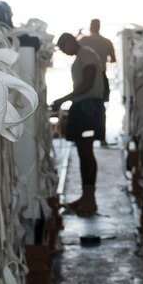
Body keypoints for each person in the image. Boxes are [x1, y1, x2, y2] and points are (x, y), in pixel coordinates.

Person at [51, 31, 105, 216]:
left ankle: (90, 199)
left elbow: (88, 82)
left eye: (64, 48)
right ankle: (86, 196)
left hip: (88, 109)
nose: (65, 53)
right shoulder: (82, 56)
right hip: (83, 107)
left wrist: (63, 99)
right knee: (83, 153)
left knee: (87, 153)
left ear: (71, 42)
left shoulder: (87, 55)